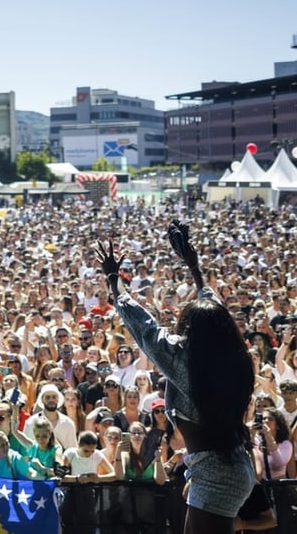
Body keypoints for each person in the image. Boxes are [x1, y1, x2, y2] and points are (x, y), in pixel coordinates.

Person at [97, 221, 256, 534]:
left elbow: (146, 329)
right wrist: (193, 266)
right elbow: (214, 309)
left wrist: (114, 281)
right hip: (227, 465)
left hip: (216, 473)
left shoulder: (187, 363)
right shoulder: (234, 360)